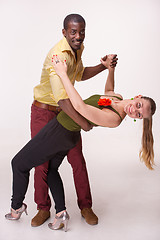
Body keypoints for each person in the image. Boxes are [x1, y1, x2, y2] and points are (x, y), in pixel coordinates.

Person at [5, 54, 156, 232]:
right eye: (138, 105)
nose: (135, 111)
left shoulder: (115, 119)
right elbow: (107, 92)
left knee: (18, 164)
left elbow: (81, 108)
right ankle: (61, 214)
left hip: (61, 130)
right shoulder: (117, 99)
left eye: (139, 115)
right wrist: (110, 69)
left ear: (137, 119)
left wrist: (62, 74)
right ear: (137, 97)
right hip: (68, 134)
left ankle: (16, 208)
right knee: (51, 169)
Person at [31, 13, 116, 227]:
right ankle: (43, 208)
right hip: (46, 111)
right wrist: (84, 122)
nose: (78, 36)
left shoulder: (77, 49)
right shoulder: (58, 56)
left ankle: (86, 206)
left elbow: (79, 75)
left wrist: (104, 67)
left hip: (64, 110)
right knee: (42, 163)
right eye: (73, 32)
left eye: (82, 32)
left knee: (77, 159)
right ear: (64, 32)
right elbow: (62, 101)